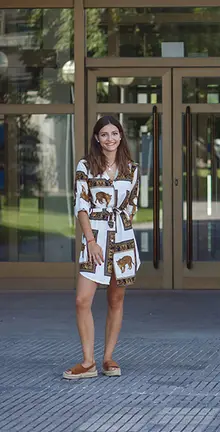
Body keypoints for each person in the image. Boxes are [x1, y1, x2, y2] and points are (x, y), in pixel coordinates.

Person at [63, 116, 141, 380]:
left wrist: (122, 228)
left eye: (115, 133)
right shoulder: (86, 166)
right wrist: (91, 240)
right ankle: (88, 362)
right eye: (104, 134)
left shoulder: (132, 168)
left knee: (116, 299)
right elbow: (81, 205)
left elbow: (132, 205)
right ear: (97, 138)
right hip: (95, 236)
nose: (110, 139)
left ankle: (108, 358)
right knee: (82, 299)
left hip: (122, 238)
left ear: (121, 136)